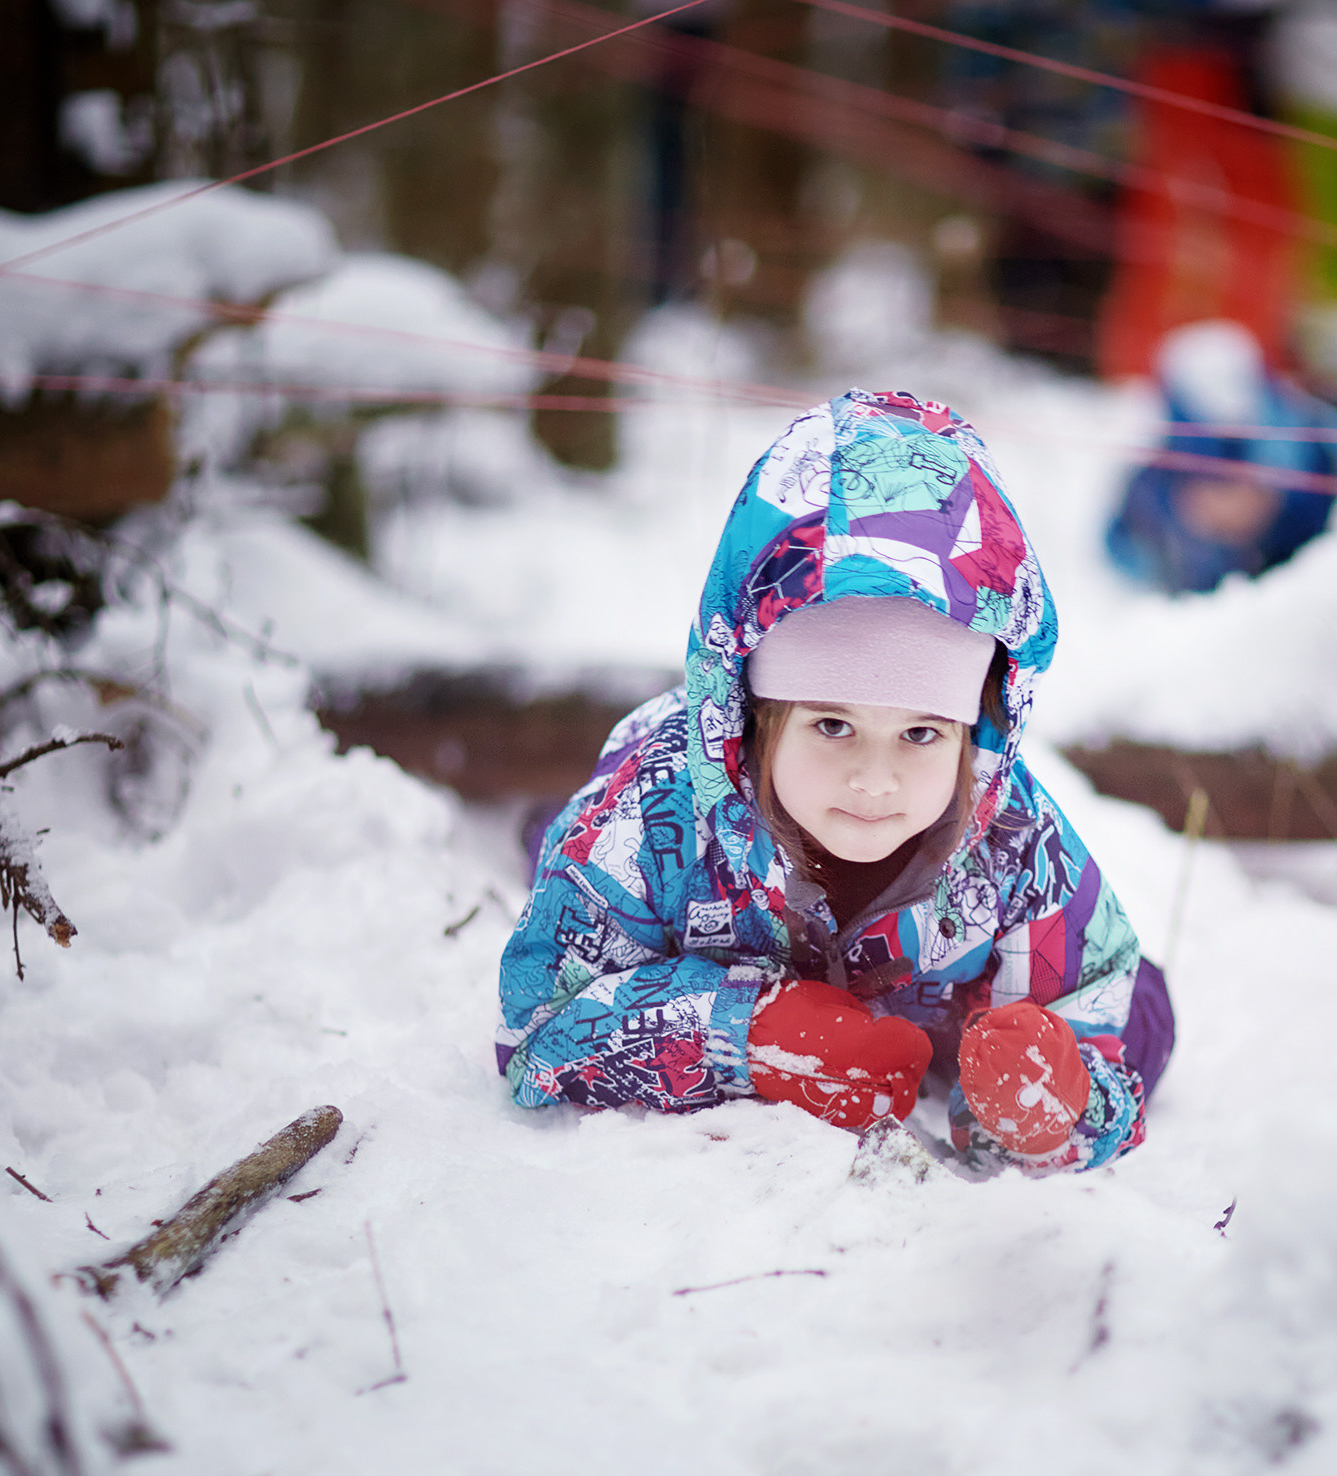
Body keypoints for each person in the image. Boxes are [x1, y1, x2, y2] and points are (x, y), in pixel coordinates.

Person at [496, 390, 1173, 1172]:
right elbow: (535, 1033)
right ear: (757, 713)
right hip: (668, 881)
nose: (875, 781)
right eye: (832, 725)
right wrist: (745, 1036)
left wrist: (1058, 1103)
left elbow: (1098, 1025)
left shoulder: (1018, 844)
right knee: (572, 848)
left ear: (974, 730)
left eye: (921, 734)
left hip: (953, 1008)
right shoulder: (648, 810)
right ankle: (545, 829)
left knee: (1144, 1011)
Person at [1105, 319, 1337, 595]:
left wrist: (1278, 505)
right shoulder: (1162, 473)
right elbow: (1121, 555)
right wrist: (1185, 524)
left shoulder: (1332, 440)